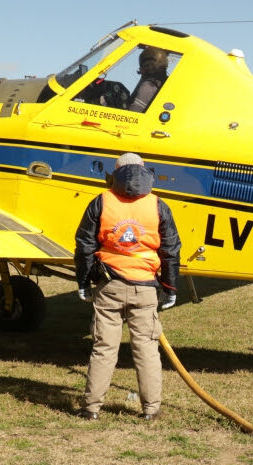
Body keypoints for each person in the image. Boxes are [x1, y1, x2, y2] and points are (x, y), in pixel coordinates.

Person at [74, 152, 181, 421]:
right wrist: (169, 287)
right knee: (146, 349)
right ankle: (151, 410)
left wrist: (84, 282)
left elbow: (85, 245)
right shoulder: (159, 205)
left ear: (115, 171)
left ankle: (91, 409)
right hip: (145, 288)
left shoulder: (101, 201)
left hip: (108, 287)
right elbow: (170, 250)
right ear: (144, 171)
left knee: (103, 349)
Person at [127, 47, 169, 112]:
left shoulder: (149, 86)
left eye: (146, 65)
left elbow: (134, 112)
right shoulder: (165, 83)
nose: (141, 69)